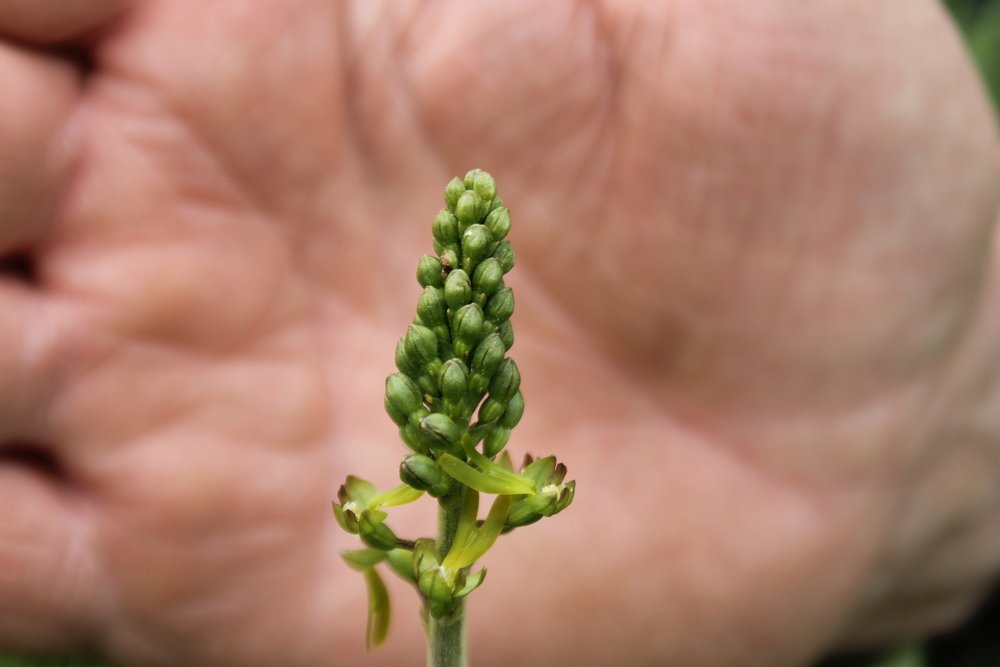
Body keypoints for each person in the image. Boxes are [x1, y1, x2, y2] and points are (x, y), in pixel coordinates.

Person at [0, 1, 997, 665]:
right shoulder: (424, 504)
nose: (374, 524)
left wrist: (957, 379)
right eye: (368, 518)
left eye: (368, 519)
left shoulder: (480, 501)